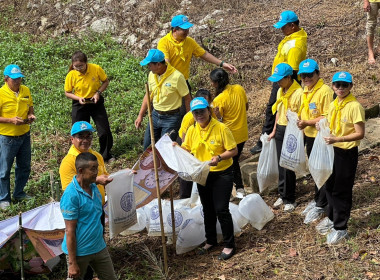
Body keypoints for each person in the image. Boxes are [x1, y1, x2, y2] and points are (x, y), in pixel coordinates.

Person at [181, 97, 238, 260]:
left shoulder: (221, 128)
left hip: (222, 173)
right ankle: (210, 240)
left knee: (221, 208)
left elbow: (233, 150)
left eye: (202, 111)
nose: (199, 115)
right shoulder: (192, 130)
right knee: (207, 209)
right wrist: (176, 148)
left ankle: (229, 244)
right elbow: (186, 148)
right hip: (203, 174)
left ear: (209, 111)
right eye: (196, 112)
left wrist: (219, 158)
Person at [315, 72, 365, 244]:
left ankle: (341, 228)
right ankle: (331, 217)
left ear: (351, 86)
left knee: (341, 190)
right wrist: (320, 124)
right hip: (332, 150)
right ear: (333, 86)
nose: (341, 88)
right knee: (329, 186)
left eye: (345, 85)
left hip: (346, 152)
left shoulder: (354, 106)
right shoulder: (333, 103)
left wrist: (339, 139)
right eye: (337, 85)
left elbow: (360, 133)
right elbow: (328, 121)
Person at [59, 121, 112, 280]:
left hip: (97, 211)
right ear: (72, 139)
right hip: (81, 214)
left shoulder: (96, 156)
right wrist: (72, 262)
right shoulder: (68, 162)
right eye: (80, 136)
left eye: (88, 136)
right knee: (82, 268)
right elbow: (73, 189)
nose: (85, 140)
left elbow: (104, 176)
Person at [250, 10, 307, 155]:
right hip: (280, 77)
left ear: (292, 26)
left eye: (283, 27)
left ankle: (266, 139)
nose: (281, 30)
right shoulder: (292, 37)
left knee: (274, 109)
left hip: (285, 80)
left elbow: (293, 72)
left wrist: (284, 88)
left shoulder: (294, 44)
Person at [157, 14, 237, 115]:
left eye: (187, 29)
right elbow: (166, 63)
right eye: (184, 30)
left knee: (187, 112)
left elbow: (204, 54)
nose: (187, 32)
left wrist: (222, 63)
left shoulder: (189, 42)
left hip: (183, 81)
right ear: (175, 30)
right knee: (171, 112)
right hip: (169, 81)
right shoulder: (164, 42)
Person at [296, 59, 334, 223]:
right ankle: (318, 199)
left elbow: (328, 115)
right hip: (310, 136)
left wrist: (307, 122)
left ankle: (322, 203)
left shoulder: (324, 91)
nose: (306, 78)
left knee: (323, 170)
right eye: (303, 75)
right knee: (315, 170)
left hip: (321, 137)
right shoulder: (305, 89)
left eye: (310, 75)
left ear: (318, 74)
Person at [135, 49, 191, 150]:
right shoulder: (152, 75)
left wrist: (189, 120)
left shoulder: (177, 77)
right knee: (147, 147)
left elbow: (187, 98)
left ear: (159, 65)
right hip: (155, 115)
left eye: (150, 65)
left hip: (171, 118)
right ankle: (150, 166)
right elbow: (149, 95)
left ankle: (164, 166)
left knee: (165, 149)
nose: (148, 67)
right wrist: (140, 115)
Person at [64, 51, 114, 162]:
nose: (78, 69)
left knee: (104, 130)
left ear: (86, 62)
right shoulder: (71, 75)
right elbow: (67, 92)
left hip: (95, 101)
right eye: (75, 66)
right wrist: (78, 98)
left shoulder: (96, 69)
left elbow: (105, 82)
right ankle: (81, 155)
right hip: (80, 103)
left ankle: (105, 155)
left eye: (81, 66)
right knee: (78, 132)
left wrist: (98, 93)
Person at [267, 63, 303, 212]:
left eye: (280, 79)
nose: (278, 82)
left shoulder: (299, 93)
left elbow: (302, 114)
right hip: (281, 129)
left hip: (292, 131)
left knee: (288, 164)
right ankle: (282, 193)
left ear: (289, 77)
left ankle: (290, 198)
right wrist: (274, 130)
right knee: (281, 163)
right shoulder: (280, 91)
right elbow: (277, 111)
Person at [0, 64, 35, 210]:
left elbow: (30, 107)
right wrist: (10, 120)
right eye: (14, 79)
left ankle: (19, 192)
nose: (18, 81)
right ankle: (4, 198)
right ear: (6, 79)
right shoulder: (1, 93)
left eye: (19, 78)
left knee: (24, 166)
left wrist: (30, 115)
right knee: (4, 170)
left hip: (24, 135)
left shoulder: (25, 90)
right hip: (7, 137)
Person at [210, 68, 248, 199]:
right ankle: (238, 188)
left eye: (212, 82)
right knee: (234, 161)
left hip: (231, 135)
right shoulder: (239, 88)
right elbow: (246, 107)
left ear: (215, 83)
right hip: (243, 132)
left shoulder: (219, 99)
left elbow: (216, 121)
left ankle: (239, 188)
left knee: (232, 162)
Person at [177, 88, 213, 199]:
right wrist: (189, 154)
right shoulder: (189, 118)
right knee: (187, 172)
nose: (200, 113)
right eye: (197, 111)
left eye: (204, 107)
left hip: (202, 141)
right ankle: (185, 197)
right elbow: (184, 140)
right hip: (187, 141)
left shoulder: (211, 113)